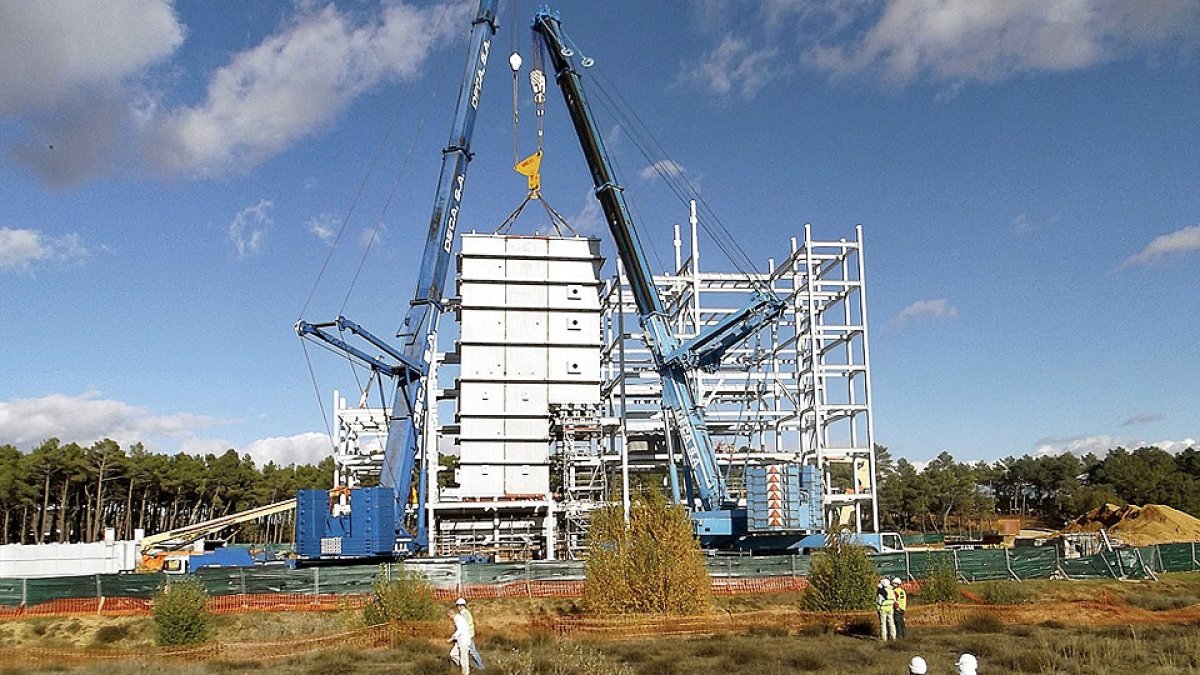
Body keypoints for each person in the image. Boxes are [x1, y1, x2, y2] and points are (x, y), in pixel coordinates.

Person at [457, 597, 486, 671]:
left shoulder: (464, 614)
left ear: (461, 606)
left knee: (472, 652)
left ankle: (480, 667)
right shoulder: (464, 613)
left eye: (458, 605)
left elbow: (464, 626)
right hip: (466, 636)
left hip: (467, 636)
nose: (457, 607)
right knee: (470, 652)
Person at [447, 607, 471, 675]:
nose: (449, 618)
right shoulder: (458, 618)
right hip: (459, 641)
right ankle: (463, 667)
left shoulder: (458, 619)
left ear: (451, 614)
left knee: (464, 658)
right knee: (453, 654)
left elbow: (459, 630)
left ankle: (465, 672)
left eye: (449, 616)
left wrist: (452, 638)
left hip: (464, 641)